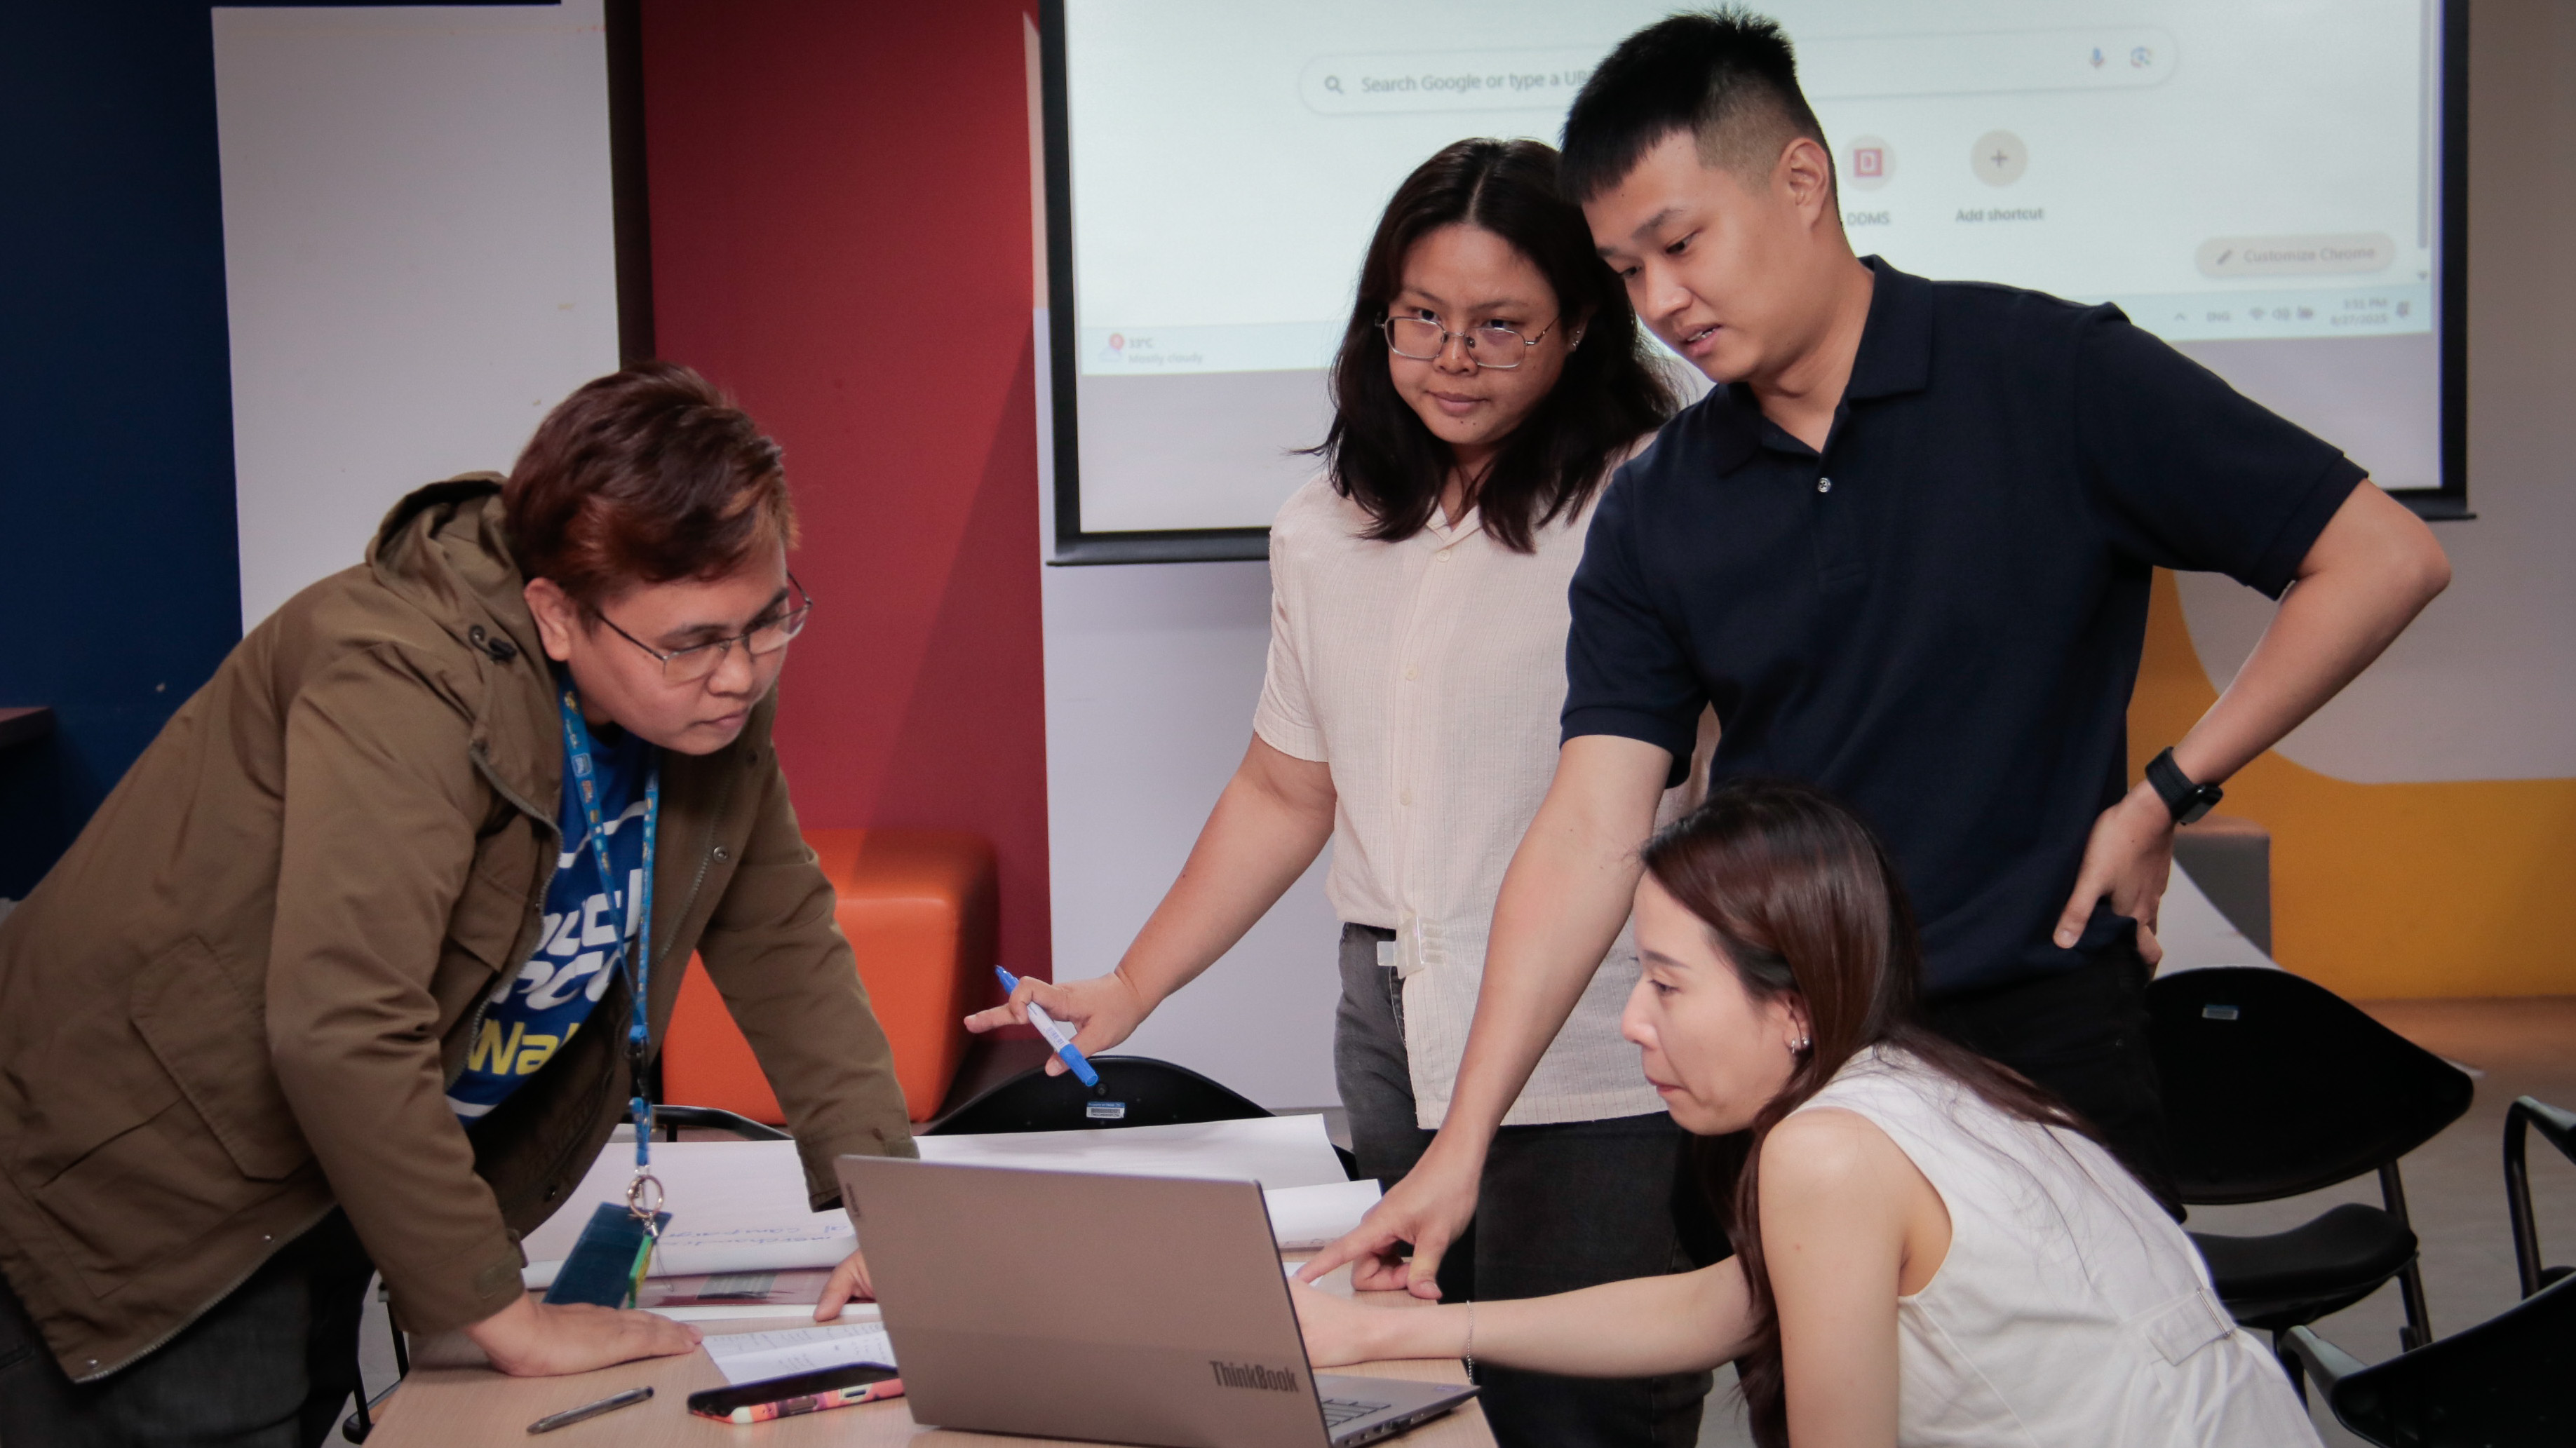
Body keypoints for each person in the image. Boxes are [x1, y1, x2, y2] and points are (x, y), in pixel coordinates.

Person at [1307, 9, 2451, 1297]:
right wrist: (1462, 1143)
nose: (1660, 302)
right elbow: (1588, 826)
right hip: (1802, 1064)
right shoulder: (1658, 504)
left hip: (2043, 1052)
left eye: (1681, 244)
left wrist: (2164, 795)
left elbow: (2379, 558)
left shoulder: (2050, 372)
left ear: (1802, 179)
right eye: (1626, 271)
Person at [0, 363, 917, 1447]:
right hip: (147, 1179)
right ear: (557, 613)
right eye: (692, 642)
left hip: (337, 1160)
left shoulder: (698, 697)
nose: (740, 673)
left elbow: (783, 940)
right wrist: (504, 1316)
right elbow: (345, 1019)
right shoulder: (396, 670)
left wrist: (895, 1217)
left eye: (767, 621)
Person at [969, 139, 1708, 1446]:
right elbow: (1283, 785)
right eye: (1421, 317)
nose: (1453, 358)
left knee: (1582, 1411)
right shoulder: (1324, 523)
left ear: (1583, 325)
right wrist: (1132, 983)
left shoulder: (1655, 500)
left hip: (1602, 1043)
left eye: (1501, 325)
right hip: (1393, 1027)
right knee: (1417, 1393)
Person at [1293, 778, 2324, 1448]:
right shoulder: (1917, 1081)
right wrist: (1383, 1333)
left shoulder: (1827, 1151)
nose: (1634, 1022)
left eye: (1665, 984)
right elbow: (1721, 1304)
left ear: (1791, 1006)